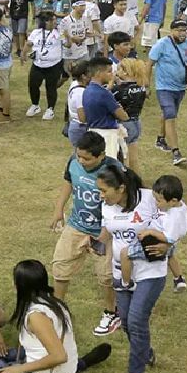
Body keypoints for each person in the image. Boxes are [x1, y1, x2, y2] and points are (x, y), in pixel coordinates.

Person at [96, 165, 166, 373]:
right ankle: (145, 352)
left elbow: (174, 217)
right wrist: (95, 242)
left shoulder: (148, 199)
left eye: (104, 190)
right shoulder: (107, 206)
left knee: (136, 321)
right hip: (120, 273)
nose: (101, 195)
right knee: (125, 322)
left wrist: (169, 245)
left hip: (149, 271)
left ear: (122, 188)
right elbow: (108, 231)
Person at [50, 131, 121, 337]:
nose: (81, 161)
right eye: (79, 156)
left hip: (104, 232)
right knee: (60, 267)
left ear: (101, 156)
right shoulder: (73, 161)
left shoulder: (114, 170)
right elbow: (69, 183)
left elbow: (123, 201)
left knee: (106, 276)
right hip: (76, 226)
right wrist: (58, 210)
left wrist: (107, 232)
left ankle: (111, 312)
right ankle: (58, 310)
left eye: (87, 158)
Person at [147, 19, 187, 167]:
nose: (183, 33)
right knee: (170, 115)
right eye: (179, 30)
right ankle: (176, 152)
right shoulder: (161, 44)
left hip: (180, 88)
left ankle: (160, 138)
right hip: (164, 87)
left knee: (167, 114)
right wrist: (146, 85)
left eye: (185, 30)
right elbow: (149, 63)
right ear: (172, 31)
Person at [83, 57, 129, 164]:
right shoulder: (104, 94)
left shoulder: (87, 90)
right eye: (109, 71)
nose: (112, 74)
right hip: (107, 136)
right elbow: (123, 116)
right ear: (99, 73)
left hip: (92, 133)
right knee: (111, 168)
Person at [111, 57, 149, 174]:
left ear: (125, 71)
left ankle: (126, 180)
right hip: (136, 122)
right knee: (134, 157)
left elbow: (108, 98)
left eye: (118, 70)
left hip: (124, 125)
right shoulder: (141, 88)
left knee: (124, 157)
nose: (116, 72)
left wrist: (112, 83)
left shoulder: (119, 90)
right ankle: (137, 179)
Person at [24, 10, 64, 120]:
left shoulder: (59, 32)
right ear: (47, 22)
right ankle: (35, 105)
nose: (56, 22)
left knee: (51, 87)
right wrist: (23, 54)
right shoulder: (36, 32)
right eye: (53, 20)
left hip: (53, 64)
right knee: (33, 85)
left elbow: (68, 44)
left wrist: (68, 37)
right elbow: (29, 43)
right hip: (38, 64)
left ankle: (50, 108)